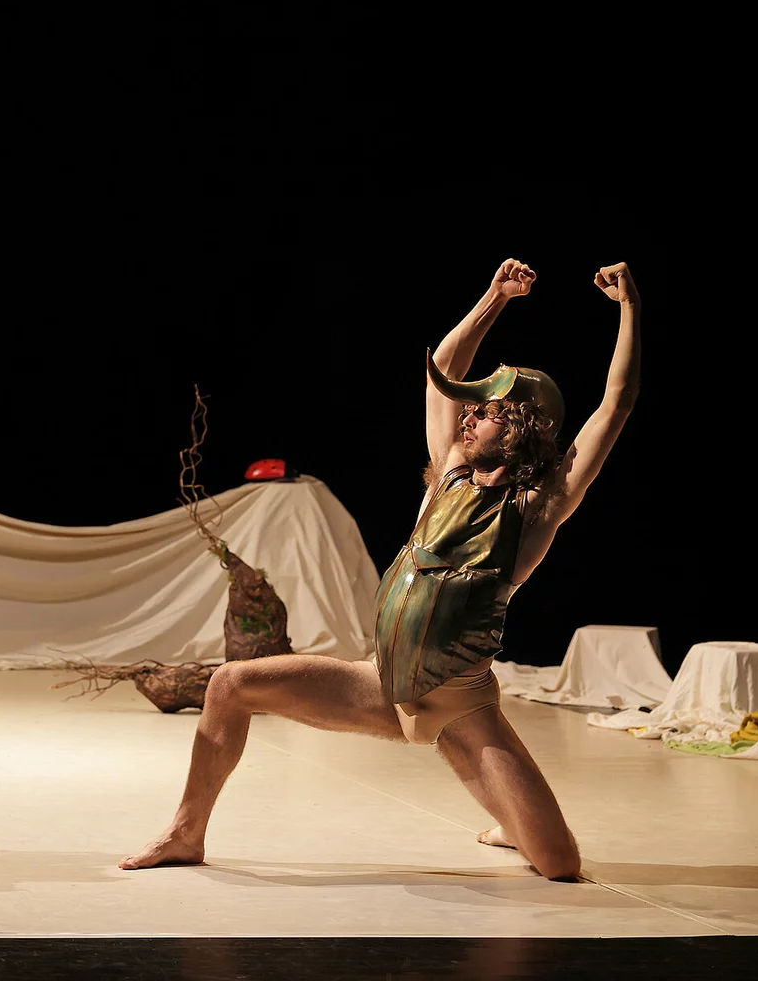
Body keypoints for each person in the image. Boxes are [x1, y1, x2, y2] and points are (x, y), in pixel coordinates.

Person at [121, 259, 641, 881]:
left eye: (490, 412)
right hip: (381, 685)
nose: (470, 416)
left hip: (459, 703)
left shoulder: (537, 509)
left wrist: (629, 309)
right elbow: (443, 373)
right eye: (473, 411)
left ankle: (509, 819)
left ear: (523, 429)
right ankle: (186, 832)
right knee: (230, 684)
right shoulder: (446, 471)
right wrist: (494, 297)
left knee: (559, 866)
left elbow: (617, 402)